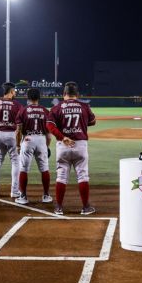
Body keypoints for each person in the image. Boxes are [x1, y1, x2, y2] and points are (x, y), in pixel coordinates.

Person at [46, 81, 97, 215]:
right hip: (80, 144)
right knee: (83, 176)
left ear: (64, 94)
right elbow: (92, 121)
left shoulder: (57, 108)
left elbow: (50, 126)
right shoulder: (84, 106)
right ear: (77, 94)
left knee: (61, 176)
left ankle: (59, 208)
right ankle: (86, 207)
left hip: (63, 144)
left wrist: (62, 137)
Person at [15, 88, 53, 205]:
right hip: (41, 139)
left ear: (28, 97)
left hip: (28, 139)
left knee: (24, 169)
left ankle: (23, 196)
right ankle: (46, 195)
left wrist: (17, 145)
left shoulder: (23, 110)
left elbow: (18, 131)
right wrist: (46, 146)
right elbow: (49, 134)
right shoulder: (45, 111)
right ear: (39, 97)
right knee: (44, 169)